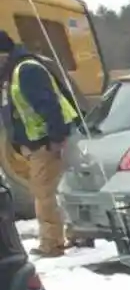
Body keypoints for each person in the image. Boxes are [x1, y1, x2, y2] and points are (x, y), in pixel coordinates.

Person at [0, 29, 82, 258]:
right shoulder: (12, 71)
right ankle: (76, 233)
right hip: (36, 143)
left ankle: (52, 243)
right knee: (57, 190)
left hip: (45, 143)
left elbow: (49, 105)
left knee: (44, 194)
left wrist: (55, 138)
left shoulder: (26, 70)